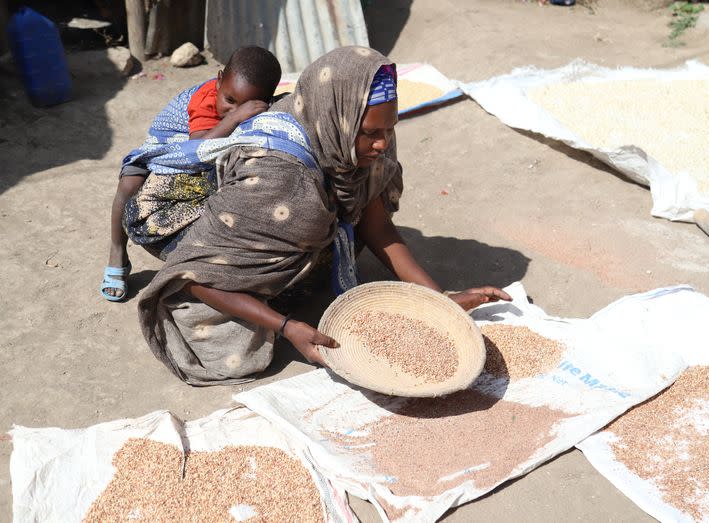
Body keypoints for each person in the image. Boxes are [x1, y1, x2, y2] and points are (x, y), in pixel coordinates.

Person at [132, 46, 510, 385]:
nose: (382, 145)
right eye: (370, 133)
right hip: (172, 213)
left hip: (263, 206)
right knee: (284, 283)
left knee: (315, 243)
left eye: (388, 130)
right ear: (340, 119)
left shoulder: (349, 132)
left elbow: (373, 221)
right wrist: (286, 327)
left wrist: (439, 299)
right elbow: (192, 276)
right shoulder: (277, 179)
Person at [100, 46, 282, 301]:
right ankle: (117, 252)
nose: (233, 110)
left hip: (201, 147)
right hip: (166, 146)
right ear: (219, 81)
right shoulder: (205, 98)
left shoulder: (260, 106)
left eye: (245, 105)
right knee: (128, 184)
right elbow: (199, 146)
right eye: (229, 100)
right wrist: (236, 118)